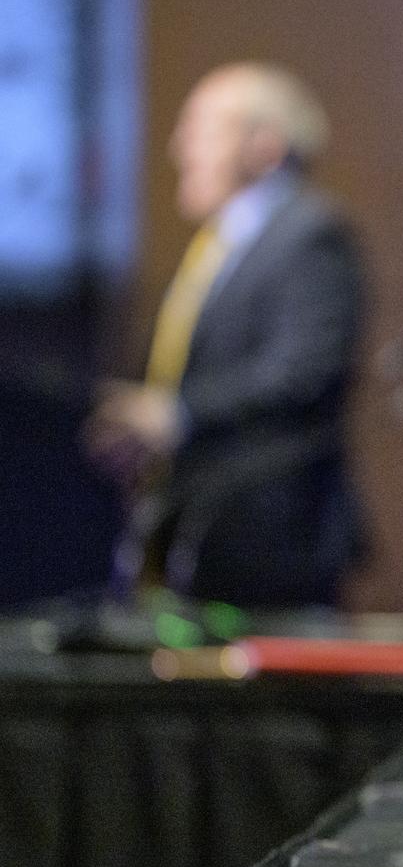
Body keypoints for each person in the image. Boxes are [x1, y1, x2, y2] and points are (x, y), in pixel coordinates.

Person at [84, 63, 364, 607]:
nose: (178, 147)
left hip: (267, 541)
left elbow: (303, 373)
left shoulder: (311, 235)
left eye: (203, 129)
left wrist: (176, 414)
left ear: (265, 144)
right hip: (194, 531)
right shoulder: (217, 246)